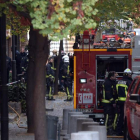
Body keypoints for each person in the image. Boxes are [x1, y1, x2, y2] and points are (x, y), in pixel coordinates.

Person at [116, 68, 133, 136]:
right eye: (130, 74)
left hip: (120, 101)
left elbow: (116, 91)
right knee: (127, 117)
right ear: (128, 74)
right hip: (127, 102)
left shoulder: (119, 81)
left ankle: (119, 130)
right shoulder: (129, 82)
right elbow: (131, 92)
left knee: (121, 116)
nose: (131, 76)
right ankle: (124, 131)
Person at [102, 71, 117, 135]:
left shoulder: (112, 82)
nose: (116, 77)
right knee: (107, 117)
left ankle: (110, 130)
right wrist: (113, 101)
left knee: (111, 117)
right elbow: (108, 93)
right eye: (115, 76)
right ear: (111, 77)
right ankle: (105, 131)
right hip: (107, 102)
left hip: (110, 103)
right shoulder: (107, 83)